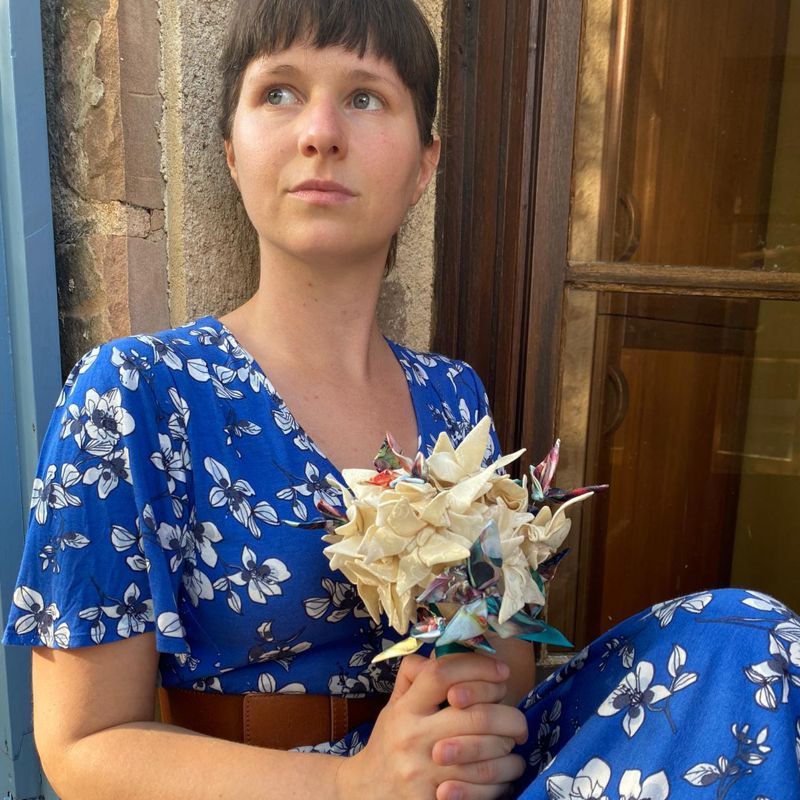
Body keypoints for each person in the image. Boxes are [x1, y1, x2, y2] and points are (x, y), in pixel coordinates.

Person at [3, 1, 799, 799]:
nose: (320, 131)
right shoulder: (137, 394)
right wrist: (357, 785)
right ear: (231, 151)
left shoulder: (453, 399)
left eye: (365, 97)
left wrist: (466, 671)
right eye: (278, 92)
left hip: (462, 783)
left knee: (745, 636)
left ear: (425, 164)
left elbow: (508, 662)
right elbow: (80, 749)